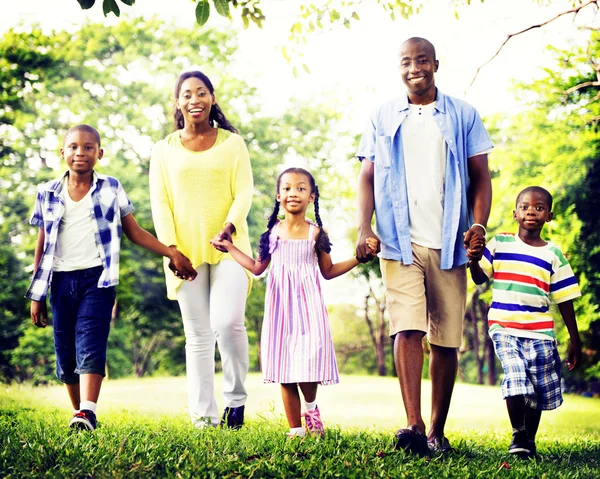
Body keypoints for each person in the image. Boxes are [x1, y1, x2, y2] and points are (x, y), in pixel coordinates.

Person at [355, 37, 494, 455]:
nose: (414, 67)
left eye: (421, 60)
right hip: (399, 239)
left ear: (435, 63)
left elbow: (481, 178)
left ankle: (436, 431)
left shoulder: (463, 114)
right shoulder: (382, 115)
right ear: (398, 68)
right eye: (405, 62)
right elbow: (366, 176)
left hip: (450, 240)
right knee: (407, 327)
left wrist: (479, 227)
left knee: (447, 339)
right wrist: (365, 227)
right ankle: (413, 426)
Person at [26, 124, 196, 431]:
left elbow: (134, 232)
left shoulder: (111, 188)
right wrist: (37, 294)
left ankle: (87, 411)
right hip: (60, 283)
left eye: (89, 147)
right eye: (74, 147)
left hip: (98, 281)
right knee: (65, 356)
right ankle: (81, 413)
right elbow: (42, 243)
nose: (81, 153)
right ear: (62, 152)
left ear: (99, 154)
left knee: (91, 343)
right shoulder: (47, 193)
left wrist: (171, 252)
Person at [211, 167, 377, 437]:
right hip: (281, 310)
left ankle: (311, 409)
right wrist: (230, 248)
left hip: (309, 308)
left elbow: (328, 271)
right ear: (278, 195)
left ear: (312, 196)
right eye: (287, 188)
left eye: (301, 188)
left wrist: (359, 259)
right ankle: (296, 430)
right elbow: (256, 268)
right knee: (285, 368)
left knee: (308, 363)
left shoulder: (316, 234)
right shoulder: (272, 234)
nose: (293, 193)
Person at [149, 71, 254, 429]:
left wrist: (229, 227)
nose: (194, 99)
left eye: (201, 92)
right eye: (187, 94)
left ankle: (235, 402)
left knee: (227, 323)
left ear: (211, 98)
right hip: (184, 253)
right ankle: (203, 418)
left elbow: (244, 191)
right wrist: (172, 249)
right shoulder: (163, 150)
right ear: (178, 103)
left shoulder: (232, 143)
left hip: (229, 247)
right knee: (197, 335)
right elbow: (160, 203)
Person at [468, 186, 582, 458]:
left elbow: (565, 299)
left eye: (539, 207)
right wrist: (473, 260)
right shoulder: (500, 244)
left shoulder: (554, 254)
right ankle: (517, 432)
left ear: (549, 216)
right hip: (505, 327)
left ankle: (528, 439)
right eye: (526, 207)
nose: (532, 211)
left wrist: (575, 339)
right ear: (515, 213)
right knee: (516, 373)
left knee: (539, 387)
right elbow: (479, 278)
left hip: (541, 332)